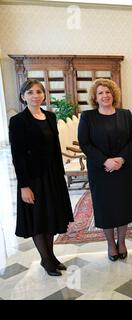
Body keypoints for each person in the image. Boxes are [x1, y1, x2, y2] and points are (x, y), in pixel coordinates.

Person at [9, 79, 73, 276]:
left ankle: (52, 257)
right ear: (23, 97)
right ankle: (46, 260)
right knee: (38, 219)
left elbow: (55, 149)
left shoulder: (50, 117)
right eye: (30, 92)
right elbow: (18, 156)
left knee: (50, 218)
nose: (35, 95)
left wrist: (60, 177)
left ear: (44, 95)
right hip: (33, 179)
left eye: (39, 91)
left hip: (53, 176)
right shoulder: (18, 121)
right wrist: (24, 186)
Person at [78, 79, 132, 261]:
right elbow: (85, 143)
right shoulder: (88, 117)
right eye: (100, 93)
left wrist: (120, 159)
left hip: (123, 168)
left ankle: (122, 242)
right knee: (105, 207)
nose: (105, 96)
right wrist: (105, 161)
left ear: (114, 94)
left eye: (108, 92)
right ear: (95, 98)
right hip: (100, 170)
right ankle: (110, 244)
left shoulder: (125, 114)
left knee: (123, 206)